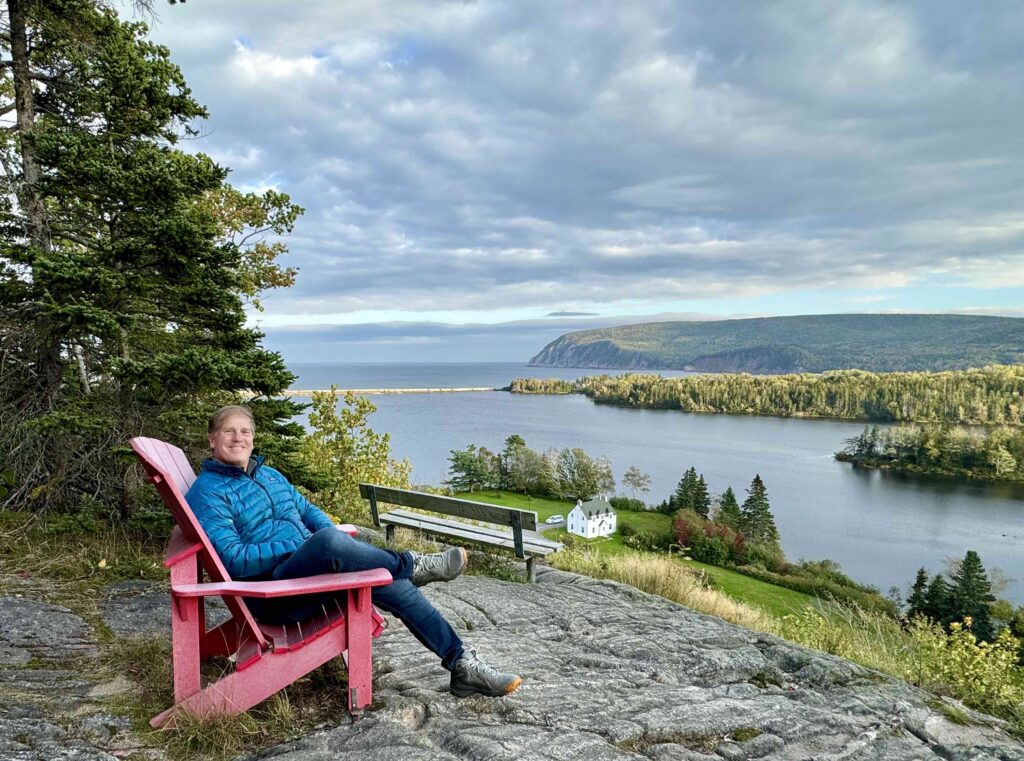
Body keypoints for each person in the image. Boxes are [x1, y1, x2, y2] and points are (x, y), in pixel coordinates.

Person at [186, 404, 521, 698]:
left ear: (253, 439)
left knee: (389, 581)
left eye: (244, 431)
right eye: (228, 431)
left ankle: (462, 664)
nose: (238, 438)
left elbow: (306, 510)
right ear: (212, 440)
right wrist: (308, 544)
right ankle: (411, 563)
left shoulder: (269, 474)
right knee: (335, 546)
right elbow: (233, 559)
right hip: (273, 594)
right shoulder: (207, 492)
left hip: (311, 575)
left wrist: (323, 532)